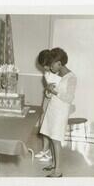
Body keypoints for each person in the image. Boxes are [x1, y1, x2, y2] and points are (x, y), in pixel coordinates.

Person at [39, 47, 77, 177]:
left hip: (61, 112)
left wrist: (54, 91)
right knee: (51, 137)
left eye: (51, 65)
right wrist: (48, 90)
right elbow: (51, 95)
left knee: (56, 139)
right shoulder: (58, 75)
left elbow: (69, 98)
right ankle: (54, 165)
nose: (50, 68)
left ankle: (58, 171)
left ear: (59, 63)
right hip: (53, 109)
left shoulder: (71, 77)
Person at [35, 49, 61, 162]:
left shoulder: (61, 74)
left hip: (56, 103)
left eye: (45, 65)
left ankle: (50, 152)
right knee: (44, 125)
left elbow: (59, 91)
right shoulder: (46, 74)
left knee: (51, 126)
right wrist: (47, 91)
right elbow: (48, 88)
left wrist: (51, 91)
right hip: (47, 100)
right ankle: (45, 149)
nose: (44, 68)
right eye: (43, 66)